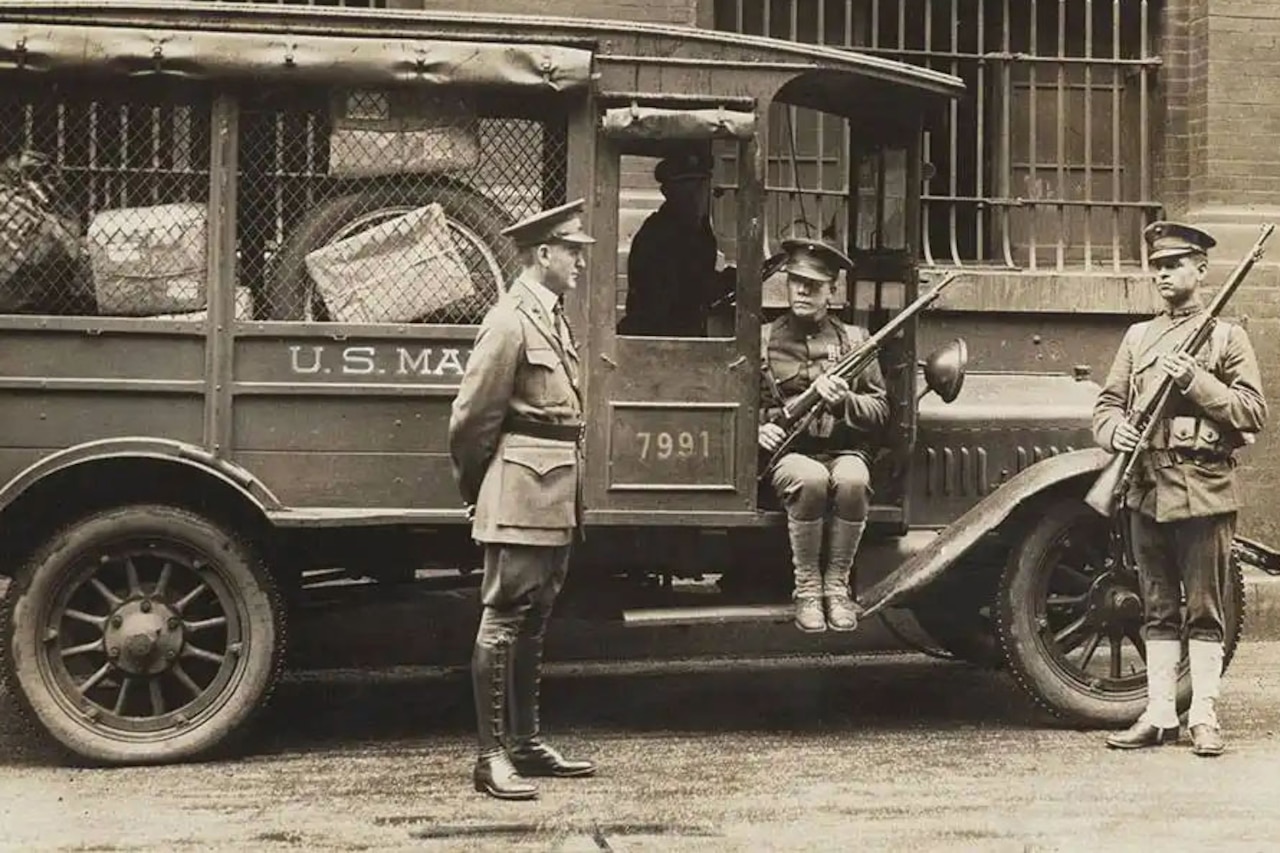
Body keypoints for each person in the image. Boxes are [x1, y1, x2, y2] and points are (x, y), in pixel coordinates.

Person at [1093, 220, 1268, 757]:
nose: (1163, 275)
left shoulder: (1226, 337)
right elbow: (1107, 404)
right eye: (1157, 268)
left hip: (1203, 487)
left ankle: (1205, 715)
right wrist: (1112, 431)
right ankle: (1160, 714)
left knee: (1205, 609)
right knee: (1157, 607)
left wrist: (1195, 380)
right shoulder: (1139, 337)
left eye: (1174, 265)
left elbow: (1252, 412)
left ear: (1200, 269)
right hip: (1146, 485)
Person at [448, 198, 597, 800]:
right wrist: (482, 490)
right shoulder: (509, 321)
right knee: (505, 619)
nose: (580, 261)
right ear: (543, 254)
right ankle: (489, 758)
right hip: (519, 492)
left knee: (535, 621)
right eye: (572, 251)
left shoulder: (551, 317)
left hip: (554, 491)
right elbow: (470, 420)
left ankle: (527, 744)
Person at [758, 237, 890, 633]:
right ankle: (808, 590)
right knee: (810, 479)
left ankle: (837, 587)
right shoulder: (763, 339)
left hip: (843, 448)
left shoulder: (854, 341)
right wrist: (757, 429)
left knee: (853, 480)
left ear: (832, 290)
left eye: (813, 285)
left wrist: (845, 401)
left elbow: (880, 410)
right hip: (789, 455)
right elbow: (739, 403)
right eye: (796, 281)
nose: (802, 290)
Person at [619, 150, 734, 336]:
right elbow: (678, 292)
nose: (697, 198)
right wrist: (723, 282)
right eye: (688, 190)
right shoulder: (656, 234)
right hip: (657, 336)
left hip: (687, 332)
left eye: (701, 188)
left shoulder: (699, 230)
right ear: (668, 193)